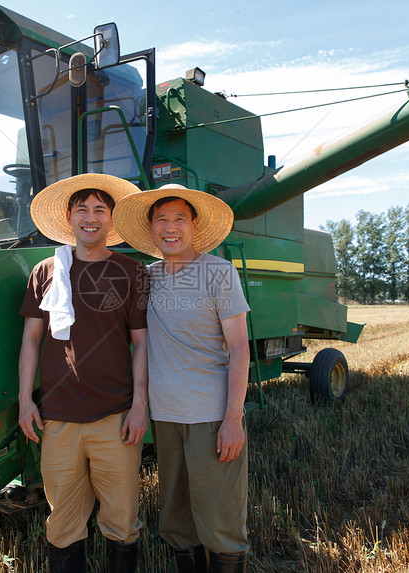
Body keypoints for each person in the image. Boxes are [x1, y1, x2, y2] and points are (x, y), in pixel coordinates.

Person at [113, 184, 251, 573]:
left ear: (194, 225)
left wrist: (233, 420)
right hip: (166, 418)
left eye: (178, 219)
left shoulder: (219, 273)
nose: (170, 228)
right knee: (175, 520)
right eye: (161, 220)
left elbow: (239, 348)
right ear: (151, 228)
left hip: (210, 416)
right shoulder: (146, 278)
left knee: (220, 522)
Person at [17, 173, 149, 573]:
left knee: (122, 522)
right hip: (59, 418)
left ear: (111, 220)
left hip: (115, 417)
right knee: (62, 524)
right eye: (82, 209)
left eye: (99, 210)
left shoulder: (132, 272)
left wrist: (139, 404)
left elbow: (142, 343)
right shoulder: (45, 272)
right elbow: (31, 341)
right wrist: (25, 399)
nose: (90, 217)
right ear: (69, 218)